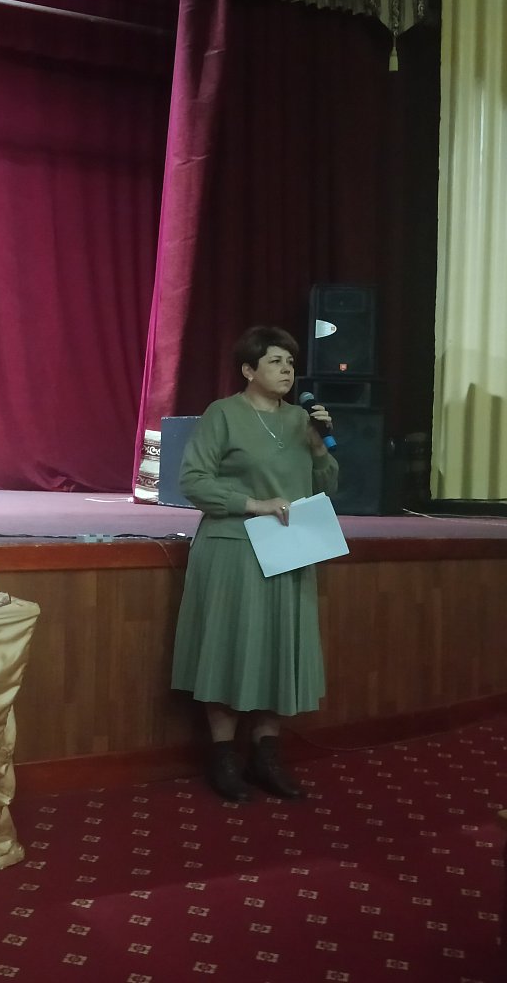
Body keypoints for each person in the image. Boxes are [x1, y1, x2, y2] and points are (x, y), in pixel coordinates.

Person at [171, 325, 339, 802]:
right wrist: (254, 504)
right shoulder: (223, 414)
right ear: (248, 370)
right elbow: (193, 480)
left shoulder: (300, 420)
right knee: (230, 648)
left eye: (290, 362)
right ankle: (223, 757)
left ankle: (266, 756)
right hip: (234, 548)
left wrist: (320, 447)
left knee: (278, 649)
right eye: (275, 361)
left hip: (290, 547)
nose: (287, 370)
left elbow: (327, 486)